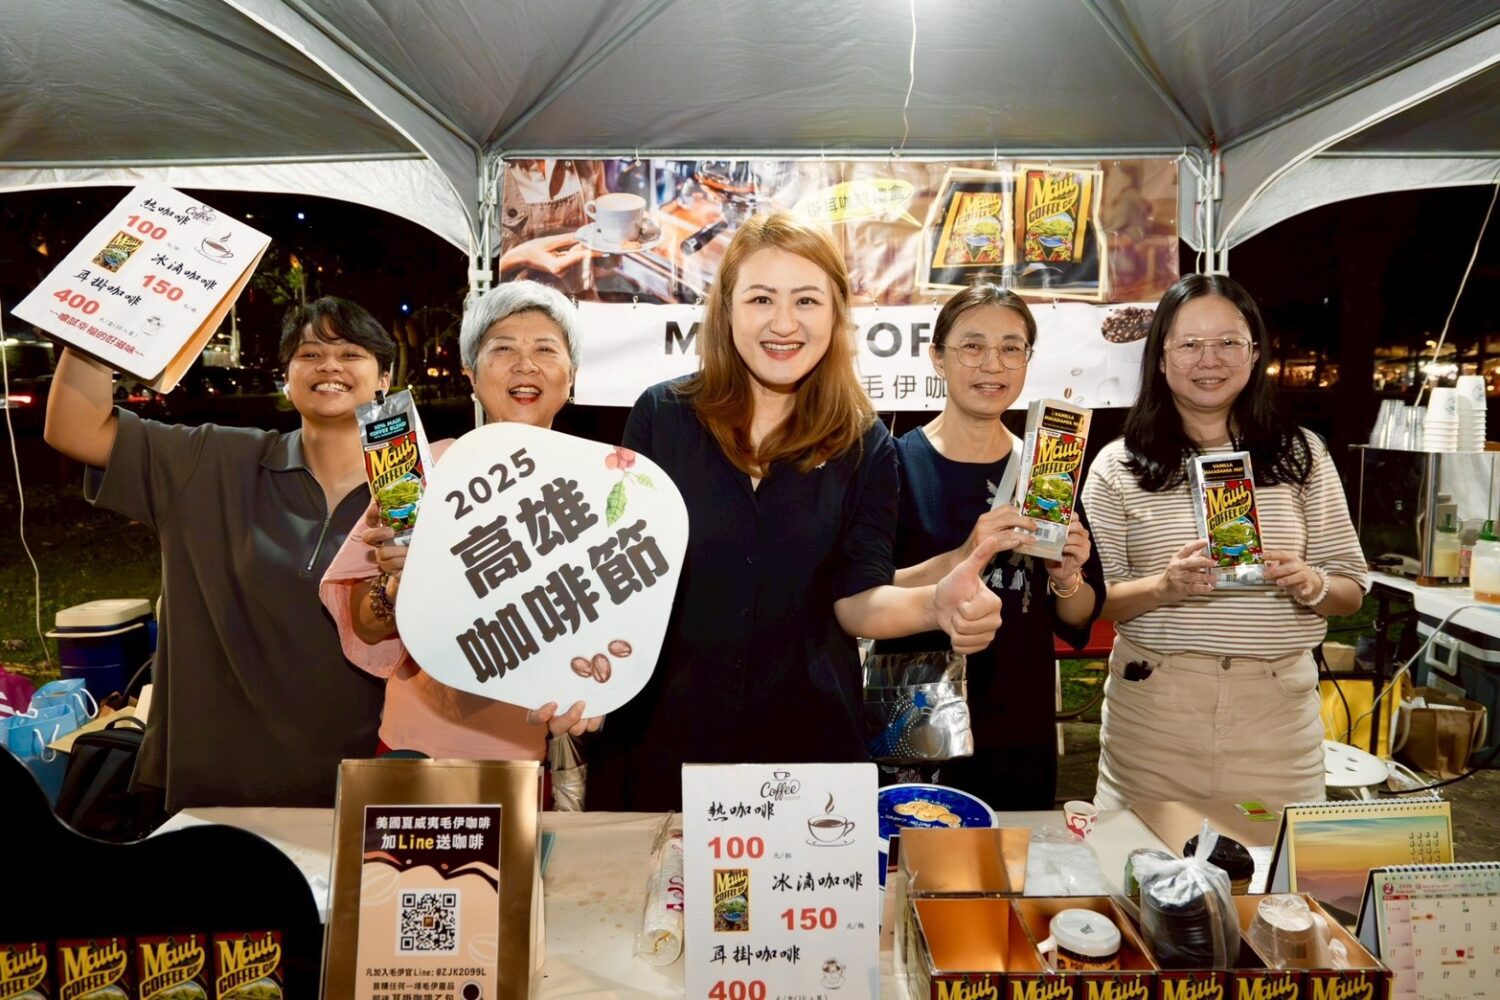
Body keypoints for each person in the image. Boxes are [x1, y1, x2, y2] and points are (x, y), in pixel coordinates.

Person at [589, 211, 1003, 811]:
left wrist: (934, 604)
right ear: (727, 309)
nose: (784, 323)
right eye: (761, 298)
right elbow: (617, 576)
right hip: (662, 741)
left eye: (806, 300)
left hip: (807, 754)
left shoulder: (864, 442)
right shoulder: (662, 416)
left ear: (835, 314)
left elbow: (857, 597)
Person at [43, 298, 397, 809]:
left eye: (351, 353)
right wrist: (110, 304)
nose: (329, 366)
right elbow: (74, 427)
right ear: (287, 377)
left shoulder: (414, 494)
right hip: (215, 782)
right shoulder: (213, 460)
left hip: (358, 784)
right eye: (309, 354)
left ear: (384, 379)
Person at [1079, 273, 1368, 808]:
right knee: (1140, 858)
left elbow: (1350, 589)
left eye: (1228, 342)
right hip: (1155, 718)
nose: (1208, 360)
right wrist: (1163, 587)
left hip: (1277, 722)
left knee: (1273, 862)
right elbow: (1091, 602)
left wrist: (1312, 584)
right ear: (1160, 358)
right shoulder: (1118, 466)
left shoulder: (1301, 454)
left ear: (1254, 353)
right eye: (1189, 344)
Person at [320, 281, 598, 758]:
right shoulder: (422, 472)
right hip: (418, 751)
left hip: (536, 754)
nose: (525, 364)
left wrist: (598, 688)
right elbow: (367, 627)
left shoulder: (603, 484)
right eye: (503, 348)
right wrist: (394, 584)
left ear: (571, 374)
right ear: (471, 373)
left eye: (545, 349)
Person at [876, 285, 1105, 809]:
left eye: (1011, 348)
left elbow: (1078, 614)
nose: (992, 364)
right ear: (938, 357)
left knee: (1014, 852)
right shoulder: (894, 465)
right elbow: (864, 593)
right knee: (913, 845)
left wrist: (1067, 575)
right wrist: (964, 553)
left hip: (1019, 721)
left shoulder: (1047, 471)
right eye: (973, 346)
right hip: (918, 716)